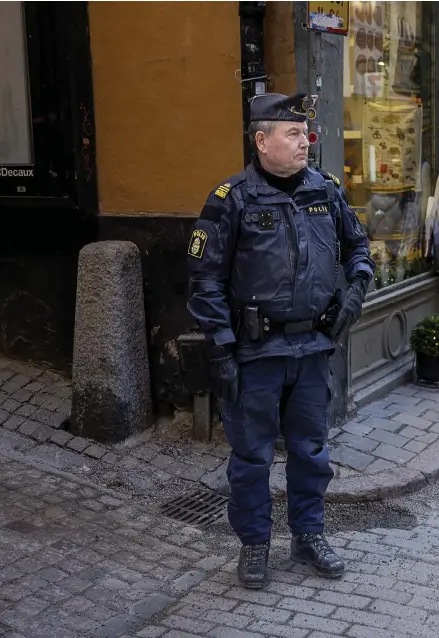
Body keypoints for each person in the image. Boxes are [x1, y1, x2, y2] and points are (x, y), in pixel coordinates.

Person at [186, 92, 375, 589]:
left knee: (311, 450)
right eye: (292, 134)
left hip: (312, 349)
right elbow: (204, 283)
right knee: (251, 456)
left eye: (306, 133)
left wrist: (353, 294)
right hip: (255, 353)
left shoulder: (326, 190)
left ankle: (308, 534)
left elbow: (359, 248)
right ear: (260, 140)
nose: (305, 142)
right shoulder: (232, 200)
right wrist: (222, 349)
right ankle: (254, 544)